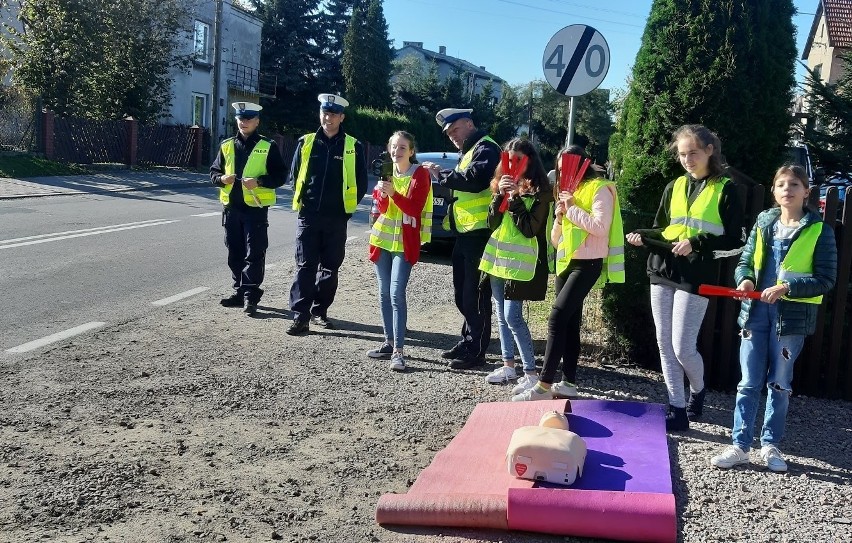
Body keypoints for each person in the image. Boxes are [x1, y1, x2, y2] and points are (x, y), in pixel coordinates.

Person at [710, 164, 836, 472]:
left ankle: (770, 446)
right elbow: (745, 260)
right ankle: (740, 445)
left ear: (806, 192)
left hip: (790, 320)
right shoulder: (764, 222)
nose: (787, 190)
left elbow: (826, 278)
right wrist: (746, 281)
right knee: (748, 383)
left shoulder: (820, 230)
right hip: (755, 315)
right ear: (774, 190)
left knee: (779, 384)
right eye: (781, 184)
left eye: (794, 184)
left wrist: (787, 287)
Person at [626, 124, 745, 431]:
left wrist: (698, 242)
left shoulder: (726, 188)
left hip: (695, 275)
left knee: (682, 346)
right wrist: (642, 235)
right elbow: (664, 230)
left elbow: (735, 239)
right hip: (662, 270)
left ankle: (698, 388)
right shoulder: (674, 186)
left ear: (710, 150)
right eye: (682, 154)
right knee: (664, 343)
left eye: (693, 152)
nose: (687, 159)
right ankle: (677, 409)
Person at [512, 145, 625, 401]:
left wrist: (572, 208)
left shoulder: (600, 188)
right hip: (566, 263)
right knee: (570, 324)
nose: (564, 171)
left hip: (588, 263)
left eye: (569, 166)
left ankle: (543, 386)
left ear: (583, 164)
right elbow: (556, 240)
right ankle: (569, 383)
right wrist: (562, 217)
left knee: (556, 319)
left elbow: (600, 227)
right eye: (561, 167)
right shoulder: (567, 191)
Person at [421, 108, 501, 369]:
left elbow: (475, 181)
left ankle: (476, 350)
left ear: (468, 123)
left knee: (475, 295)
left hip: (480, 234)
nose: (452, 136)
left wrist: (441, 174)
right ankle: (468, 340)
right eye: (448, 133)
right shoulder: (470, 151)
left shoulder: (486, 148)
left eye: (455, 129)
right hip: (465, 233)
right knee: (462, 293)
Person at [286, 93, 369, 335]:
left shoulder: (354, 146)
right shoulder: (306, 142)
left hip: (336, 218)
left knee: (330, 267)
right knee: (305, 265)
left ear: (341, 117)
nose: (328, 117)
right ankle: (300, 315)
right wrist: (305, 205)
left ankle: (320, 311)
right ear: (320, 114)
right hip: (309, 215)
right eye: (325, 112)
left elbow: (361, 183)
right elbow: (295, 176)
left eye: (333, 114)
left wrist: (345, 210)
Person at [479, 138, 553, 389]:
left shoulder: (541, 190)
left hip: (522, 263)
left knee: (513, 316)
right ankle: (508, 366)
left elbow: (530, 229)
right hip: (499, 259)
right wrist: (498, 195)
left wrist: (513, 198)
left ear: (529, 161)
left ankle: (531, 372)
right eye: (508, 159)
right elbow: (492, 224)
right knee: (501, 315)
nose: (512, 165)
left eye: (518, 159)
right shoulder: (501, 184)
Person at [210, 101, 287, 316]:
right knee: (234, 252)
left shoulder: (267, 145)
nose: (244, 122)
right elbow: (213, 172)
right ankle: (238, 291)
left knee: (254, 253)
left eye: (249, 119)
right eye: (241, 119)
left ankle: (250, 296)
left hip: (255, 209)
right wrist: (221, 178)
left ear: (257, 121)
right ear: (236, 120)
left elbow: (281, 175)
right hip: (232, 209)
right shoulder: (226, 145)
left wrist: (260, 182)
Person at [366, 131, 432, 371]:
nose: (397, 151)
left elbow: (414, 208)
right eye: (394, 147)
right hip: (383, 239)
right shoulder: (386, 173)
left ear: (411, 151)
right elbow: (382, 207)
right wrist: (383, 194)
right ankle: (388, 342)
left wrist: (394, 193)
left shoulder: (420, 174)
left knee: (396, 294)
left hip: (405, 242)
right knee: (384, 293)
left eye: (402, 147)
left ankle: (399, 351)